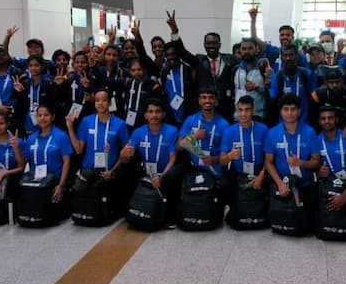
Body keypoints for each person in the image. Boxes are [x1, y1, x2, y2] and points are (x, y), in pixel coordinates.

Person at [66, 89, 132, 215]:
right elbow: (78, 149)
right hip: (89, 171)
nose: (100, 103)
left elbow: (125, 156)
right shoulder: (86, 121)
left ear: (110, 103)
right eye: (97, 100)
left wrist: (112, 171)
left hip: (109, 172)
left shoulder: (120, 124)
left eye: (104, 100)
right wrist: (70, 128)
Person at [264, 94, 321, 226]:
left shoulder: (310, 132)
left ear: (299, 111)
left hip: (305, 184)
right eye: (286, 109)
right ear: (280, 111)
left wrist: (300, 162)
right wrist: (279, 184)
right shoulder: (272, 133)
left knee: (307, 225)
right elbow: (269, 162)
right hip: (283, 184)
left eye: (293, 109)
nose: (289, 113)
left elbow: (316, 162)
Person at [127, 98, 181, 227]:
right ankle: (132, 210)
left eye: (157, 112)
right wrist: (123, 155)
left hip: (164, 171)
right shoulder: (137, 132)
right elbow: (127, 157)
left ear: (163, 114)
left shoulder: (172, 131)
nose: (154, 115)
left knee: (174, 175)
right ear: (145, 115)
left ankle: (169, 217)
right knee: (127, 171)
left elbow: (172, 158)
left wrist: (161, 177)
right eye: (150, 112)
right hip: (146, 171)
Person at [178, 88, 231, 206]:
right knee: (173, 176)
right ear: (199, 101)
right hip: (193, 167)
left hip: (214, 168)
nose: (207, 100)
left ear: (216, 101)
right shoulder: (190, 120)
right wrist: (194, 137)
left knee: (227, 184)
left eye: (211, 97)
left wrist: (214, 159)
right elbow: (178, 146)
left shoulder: (225, 125)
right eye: (204, 97)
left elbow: (227, 155)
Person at [23, 105, 73, 205]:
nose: (42, 118)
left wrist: (61, 185)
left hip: (54, 182)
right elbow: (24, 161)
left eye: (46, 115)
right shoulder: (31, 138)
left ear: (53, 117)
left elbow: (66, 162)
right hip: (36, 182)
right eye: (39, 115)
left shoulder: (61, 136)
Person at [220, 95, 269, 195]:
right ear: (237, 111)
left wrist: (262, 174)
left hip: (259, 171)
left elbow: (269, 158)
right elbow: (222, 161)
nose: (243, 114)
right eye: (240, 110)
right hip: (238, 173)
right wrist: (230, 156)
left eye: (247, 110)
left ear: (253, 111)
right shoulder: (229, 131)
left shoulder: (264, 130)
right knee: (224, 184)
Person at [317, 105, 346, 212]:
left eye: (330, 118)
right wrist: (319, 171)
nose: (327, 121)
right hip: (329, 186)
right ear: (319, 121)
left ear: (336, 120)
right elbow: (315, 168)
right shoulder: (316, 140)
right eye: (323, 118)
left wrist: (344, 197)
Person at [269, 43, 315, 124]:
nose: (288, 58)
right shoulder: (277, 77)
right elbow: (273, 99)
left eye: (291, 55)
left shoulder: (307, 74)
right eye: (285, 55)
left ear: (297, 57)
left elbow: (314, 97)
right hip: (283, 124)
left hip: (304, 123)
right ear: (281, 58)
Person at [197, 32, 238, 121]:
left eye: (215, 43)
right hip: (207, 104)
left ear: (219, 44)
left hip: (226, 107)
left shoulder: (230, 59)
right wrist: (175, 32)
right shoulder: (199, 60)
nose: (212, 46)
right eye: (209, 43)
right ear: (204, 45)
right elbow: (183, 53)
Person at [13, 55, 55, 136]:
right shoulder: (24, 84)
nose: (33, 68)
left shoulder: (49, 83)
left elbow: (52, 103)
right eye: (31, 66)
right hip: (29, 122)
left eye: (36, 65)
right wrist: (19, 92)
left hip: (44, 120)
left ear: (42, 67)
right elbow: (21, 105)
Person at [232, 38, 270, 121]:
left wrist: (257, 87)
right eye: (244, 49)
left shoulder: (264, 68)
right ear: (240, 51)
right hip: (239, 116)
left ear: (256, 50)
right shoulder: (235, 69)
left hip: (258, 116)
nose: (246, 51)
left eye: (250, 48)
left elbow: (271, 93)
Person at [122, 59, 161, 133]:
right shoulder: (128, 83)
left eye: (139, 69)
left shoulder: (151, 84)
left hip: (144, 121)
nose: (136, 72)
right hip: (129, 119)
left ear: (144, 70)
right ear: (130, 71)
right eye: (133, 70)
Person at [0, 43, 22, 125]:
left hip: (13, 116)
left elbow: (23, 96)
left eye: (2, 53)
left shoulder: (17, 73)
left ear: (7, 56)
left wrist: (10, 106)